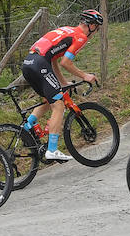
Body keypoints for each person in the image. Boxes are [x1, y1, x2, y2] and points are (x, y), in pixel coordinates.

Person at [19, 10, 104, 162]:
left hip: (28, 63)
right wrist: (85, 76)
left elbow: (54, 60)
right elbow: (66, 62)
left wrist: (63, 83)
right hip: (40, 64)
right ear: (90, 26)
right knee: (58, 106)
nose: (96, 32)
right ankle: (52, 150)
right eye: (96, 28)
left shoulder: (67, 30)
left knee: (48, 99)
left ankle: (27, 127)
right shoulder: (80, 37)